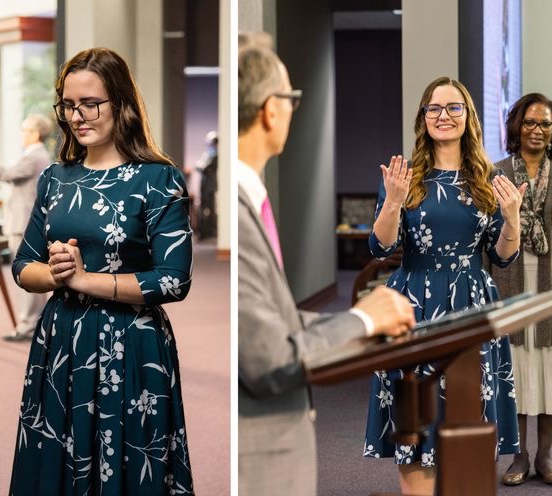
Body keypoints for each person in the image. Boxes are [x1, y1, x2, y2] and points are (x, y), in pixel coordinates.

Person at [8, 47, 194, 494]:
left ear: (122, 104)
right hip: (62, 343)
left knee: (128, 467)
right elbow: (22, 265)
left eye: (90, 103)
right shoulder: (55, 178)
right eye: (68, 105)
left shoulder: (157, 178)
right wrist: (55, 274)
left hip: (131, 343)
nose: (77, 115)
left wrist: (82, 279)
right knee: (58, 458)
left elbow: (174, 278)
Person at [236, 36, 415, 496]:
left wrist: (362, 325)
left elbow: (271, 322)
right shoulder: (237, 208)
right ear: (271, 110)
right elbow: (269, 358)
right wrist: (361, 317)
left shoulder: (248, 199)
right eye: (292, 98)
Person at [364, 76, 526, 495]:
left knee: (467, 414)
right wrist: (394, 201)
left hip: (472, 302)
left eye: (454, 108)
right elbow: (382, 248)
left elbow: (504, 254)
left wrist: (512, 219)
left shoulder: (488, 178)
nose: (443, 116)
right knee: (415, 420)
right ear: (423, 118)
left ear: (468, 116)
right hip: (413, 302)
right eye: (434, 108)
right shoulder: (404, 175)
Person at [490, 93, 552, 486]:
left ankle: (545, 456)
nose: (537, 130)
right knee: (514, 375)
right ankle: (519, 457)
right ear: (516, 126)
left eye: (545, 124)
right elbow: (484, 240)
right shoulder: (494, 174)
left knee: (549, 375)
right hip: (508, 288)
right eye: (530, 122)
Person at [0, 113, 54, 341]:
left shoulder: (35, 156)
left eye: (25, 130)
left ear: (35, 134)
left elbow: (6, 175)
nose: (21, 134)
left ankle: (28, 326)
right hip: (25, 222)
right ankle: (32, 323)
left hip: (24, 223)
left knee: (27, 274)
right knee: (30, 274)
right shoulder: (34, 155)